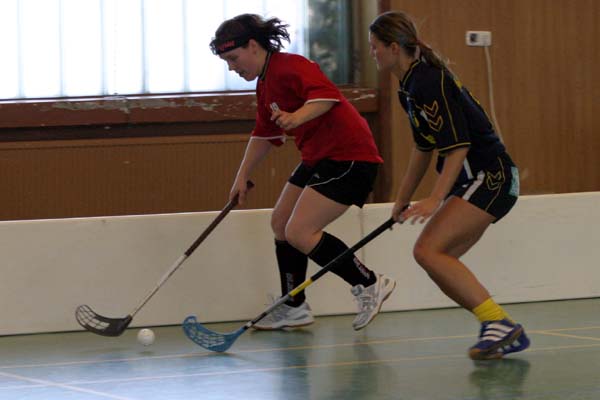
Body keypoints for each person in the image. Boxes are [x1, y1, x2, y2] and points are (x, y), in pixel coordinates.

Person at [210, 14, 395, 331]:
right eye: (226, 62)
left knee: (300, 231)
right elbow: (264, 133)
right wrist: (241, 176)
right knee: (280, 223)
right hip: (318, 158)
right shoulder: (265, 84)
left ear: (253, 46)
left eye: (233, 58)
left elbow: (326, 96)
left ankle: (369, 283)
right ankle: (294, 307)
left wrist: (296, 118)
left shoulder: (290, 66)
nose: (231, 68)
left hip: (350, 157)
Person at [368, 11, 530, 360]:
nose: (372, 53)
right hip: (481, 179)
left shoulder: (429, 81)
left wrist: (435, 198)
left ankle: (498, 324)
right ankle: (497, 325)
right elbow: (423, 148)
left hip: (490, 177)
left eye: (375, 46)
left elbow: (459, 146)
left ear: (394, 47)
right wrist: (401, 199)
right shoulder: (409, 88)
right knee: (438, 259)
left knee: (428, 251)